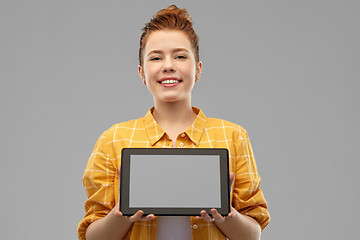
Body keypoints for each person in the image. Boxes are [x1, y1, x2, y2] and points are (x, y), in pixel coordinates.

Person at [78, 5, 270, 240]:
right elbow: (93, 236)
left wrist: (227, 215)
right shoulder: (113, 139)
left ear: (198, 69)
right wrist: (121, 214)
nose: (168, 65)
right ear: (141, 73)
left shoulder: (233, 135)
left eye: (180, 56)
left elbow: (253, 234)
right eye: (156, 57)